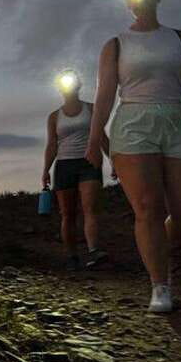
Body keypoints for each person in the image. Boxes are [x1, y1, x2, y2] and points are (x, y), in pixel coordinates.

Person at [85, 0, 181, 312]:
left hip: (175, 120)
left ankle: (156, 248)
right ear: (128, 0)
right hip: (133, 124)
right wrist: (95, 143)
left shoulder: (179, 38)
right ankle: (160, 284)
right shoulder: (116, 44)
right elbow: (105, 96)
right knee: (148, 208)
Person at [42, 70, 113, 271]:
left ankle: (93, 251)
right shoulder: (54, 117)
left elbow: (102, 138)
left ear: (78, 86)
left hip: (89, 162)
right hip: (64, 165)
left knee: (90, 208)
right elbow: (52, 145)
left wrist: (114, 161)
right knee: (68, 214)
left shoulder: (92, 109)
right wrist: (46, 170)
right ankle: (72, 257)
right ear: (60, 89)